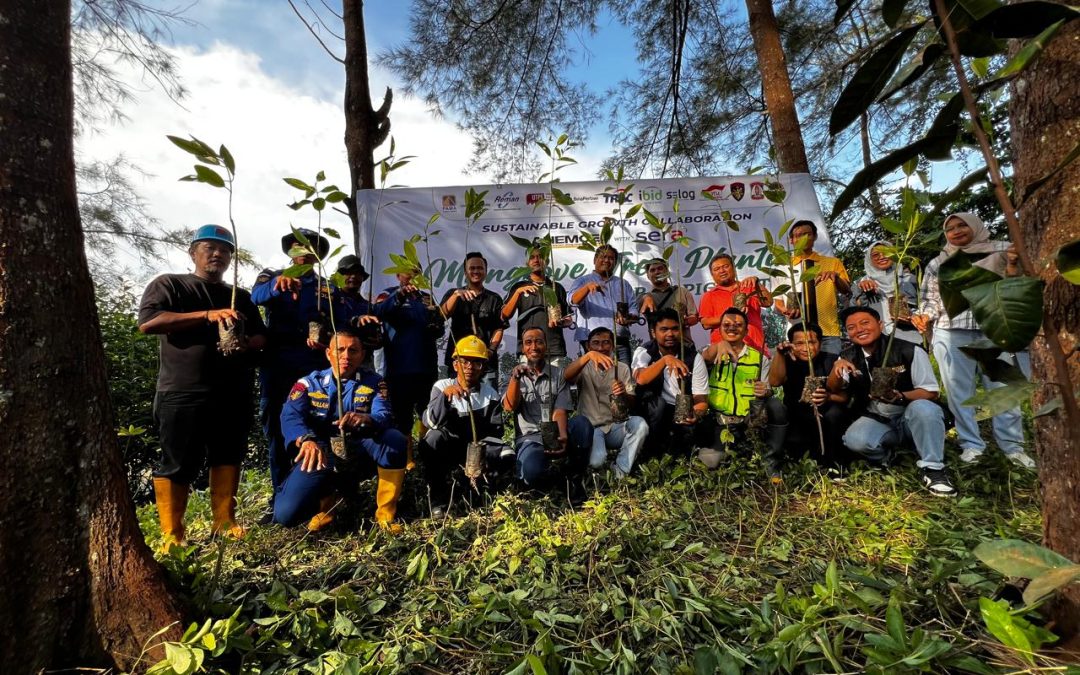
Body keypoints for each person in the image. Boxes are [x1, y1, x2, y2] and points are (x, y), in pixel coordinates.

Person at [138, 225, 267, 549]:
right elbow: (149, 322)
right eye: (209, 247)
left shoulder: (241, 297)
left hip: (232, 391)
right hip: (183, 390)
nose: (217, 254)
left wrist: (246, 341)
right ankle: (172, 534)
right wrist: (208, 315)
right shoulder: (170, 285)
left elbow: (261, 336)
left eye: (224, 250)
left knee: (228, 454)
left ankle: (224, 521)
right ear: (193, 252)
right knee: (178, 460)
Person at [911, 213, 1034, 469]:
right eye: (949, 229)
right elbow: (932, 300)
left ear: (975, 226)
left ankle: (1013, 447)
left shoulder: (1002, 250)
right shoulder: (940, 262)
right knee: (959, 392)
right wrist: (923, 315)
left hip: (996, 329)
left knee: (1003, 390)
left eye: (961, 225)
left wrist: (1012, 265)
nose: (956, 231)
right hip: (952, 331)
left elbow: (1021, 285)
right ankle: (971, 444)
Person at [275, 328, 408, 531]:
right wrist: (305, 439)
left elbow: (384, 415)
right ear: (329, 353)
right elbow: (290, 415)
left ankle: (385, 516)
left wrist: (368, 419)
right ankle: (326, 506)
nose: (346, 356)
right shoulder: (309, 383)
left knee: (395, 439)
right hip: (321, 453)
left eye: (353, 350)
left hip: (360, 448)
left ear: (362, 355)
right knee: (286, 515)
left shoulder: (375, 382)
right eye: (340, 350)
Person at [828, 306, 956, 497]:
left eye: (865, 323)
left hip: (910, 413)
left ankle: (934, 469)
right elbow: (834, 388)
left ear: (880, 325)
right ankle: (891, 456)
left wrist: (901, 396)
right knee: (855, 440)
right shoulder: (848, 355)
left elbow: (930, 392)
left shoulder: (909, 350)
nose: (859, 329)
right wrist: (836, 367)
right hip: (878, 417)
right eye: (852, 327)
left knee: (924, 408)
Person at [251, 227, 334, 517]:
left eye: (309, 247)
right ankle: (280, 495)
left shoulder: (326, 287)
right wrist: (277, 284)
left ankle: (318, 495)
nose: (302, 252)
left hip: (314, 367)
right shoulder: (271, 276)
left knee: (317, 428)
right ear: (290, 252)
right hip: (279, 365)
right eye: (297, 247)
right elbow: (255, 298)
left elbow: (338, 322)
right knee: (277, 429)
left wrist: (326, 337)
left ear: (316, 255)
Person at [418, 336, 510, 517]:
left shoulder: (490, 394)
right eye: (464, 361)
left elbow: (496, 433)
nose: (470, 367)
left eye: (477, 363)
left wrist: (480, 450)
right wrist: (444, 398)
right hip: (449, 448)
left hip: (476, 451)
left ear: (483, 367)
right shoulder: (441, 386)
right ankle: (438, 499)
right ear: (455, 365)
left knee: (507, 454)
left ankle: (482, 492)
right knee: (432, 438)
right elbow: (430, 421)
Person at [699, 308, 786, 481]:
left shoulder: (760, 358)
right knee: (710, 461)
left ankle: (771, 464)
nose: (732, 328)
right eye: (727, 325)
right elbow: (706, 357)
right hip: (721, 422)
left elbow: (768, 388)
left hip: (749, 422)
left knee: (776, 406)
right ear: (719, 329)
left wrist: (765, 391)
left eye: (738, 325)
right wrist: (720, 345)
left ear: (746, 330)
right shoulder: (708, 353)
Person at [502, 327, 588, 488]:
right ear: (523, 348)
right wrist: (516, 379)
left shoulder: (559, 374)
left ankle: (574, 475)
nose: (534, 347)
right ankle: (554, 477)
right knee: (531, 474)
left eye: (539, 342)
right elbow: (509, 406)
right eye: (529, 342)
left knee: (582, 424)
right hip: (530, 439)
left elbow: (560, 410)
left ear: (546, 347)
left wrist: (562, 436)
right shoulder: (513, 375)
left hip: (554, 432)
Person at [565, 327, 647, 478]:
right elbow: (566, 376)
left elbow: (632, 402)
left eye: (606, 343)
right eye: (595, 343)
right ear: (588, 347)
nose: (601, 348)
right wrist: (588, 356)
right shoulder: (583, 367)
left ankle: (620, 470)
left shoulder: (621, 368)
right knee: (597, 462)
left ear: (613, 346)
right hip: (592, 428)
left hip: (615, 426)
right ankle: (596, 468)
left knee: (640, 424)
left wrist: (623, 394)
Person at [373, 270, 445, 440]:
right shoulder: (388, 294)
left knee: (427, 414)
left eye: (416, 272)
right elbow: (378, 312)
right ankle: (406, 460)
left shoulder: (426, 297)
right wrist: (398, 297)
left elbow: (438, 328)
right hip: (399, 370)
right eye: (407, 272)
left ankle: (424, 453)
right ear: (398, 275)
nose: (412, 276)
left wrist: (437, 327)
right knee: (401, 417)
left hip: (426, 368)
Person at [767, 322, 849, 469]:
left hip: (826, 417)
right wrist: (779, 354)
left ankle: (835, 464)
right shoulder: (786, 359)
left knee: (835, 414)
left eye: (811, 342)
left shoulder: (833, 360)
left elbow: (844, 397)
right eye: (799, 343)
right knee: (798, 453)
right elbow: (774, 382)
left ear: (820, 343)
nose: (806, 348)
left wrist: (828, 397)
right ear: (791, 344)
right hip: (796, 415)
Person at [632, 308, 710, 455]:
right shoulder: (645, 351)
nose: (670, 334)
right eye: (664, 329)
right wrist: (665, 360)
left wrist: (695, 414)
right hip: (653, 410)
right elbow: (641, 379)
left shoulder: (694, 357)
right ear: (653, 332)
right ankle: (649, 451)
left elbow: (701, 399)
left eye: (675, 329)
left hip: (680, 411)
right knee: (658, 406)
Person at [773, 220, 851, 354]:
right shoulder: (782, 268)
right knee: (801, 373)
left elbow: (847, 290)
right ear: (791, 240)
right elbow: (778, 302)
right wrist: (786, 310)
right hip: (798, 332)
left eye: (807, 234)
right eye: (798, 235)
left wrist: (836, 277)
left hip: (828, 332)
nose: (803, 238)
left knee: (830, 371)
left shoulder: (832, 263)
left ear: (814, 236)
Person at [439, 252, 506, 388]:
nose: (476, 271)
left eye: (480, 268)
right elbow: (442, 315)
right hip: (458, 360)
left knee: (488, 402)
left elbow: (499, 327)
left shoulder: (494, 298)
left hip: (485, 363)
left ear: (486, 272)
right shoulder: (454, 294)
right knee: (457, 401)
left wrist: (491, 350)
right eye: (472, 268)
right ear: (465, 272)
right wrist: (456, 295)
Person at [502, 245, 573, 366]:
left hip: (554, 349)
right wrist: (519, 292)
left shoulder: (557, 287)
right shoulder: (519, 287)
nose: (536, 260)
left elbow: (568, 319)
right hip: (528, 350)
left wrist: (561, 322)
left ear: (547, 261)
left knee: (555, 384)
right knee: (529, 385)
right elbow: (505, 315)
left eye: (540, 257)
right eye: (532, 257)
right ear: (527, 263)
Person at [569, 244, 636, 364]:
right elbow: (573, 300)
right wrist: (587, 288)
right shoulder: (582, 281)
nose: (606, 260)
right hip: (591, 343)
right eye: (603, 257)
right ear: (595, 260)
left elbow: (634, 311)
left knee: (622, 380)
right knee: (591, 381)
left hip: (619, 343)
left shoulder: (623, 284)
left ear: (615, 263)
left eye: (611, 258)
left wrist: (627, 318)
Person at [699, 253, 771, 353]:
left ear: (734, 268)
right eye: (717, 269)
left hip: (755, 347)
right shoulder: (709, 295)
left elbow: (768, 302)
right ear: (712, 275)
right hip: (724, 352)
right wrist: (730, 317)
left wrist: (757, 283)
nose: (722, 271)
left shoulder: (749, 286)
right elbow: (705, 323)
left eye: (725, 266)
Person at [850, 242, 920, 343]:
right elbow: (854, 313)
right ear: (869, 260)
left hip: (910, 337)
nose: (882, 257)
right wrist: (862, 292)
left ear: (894, 255)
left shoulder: (909, 280)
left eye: (886, 253)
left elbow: (925, 307)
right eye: (875, 255)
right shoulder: (861, 283)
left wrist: (911, 316)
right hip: (879, 341)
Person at [335, 254, 382, 369]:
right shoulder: (331, 300)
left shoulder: (368, 306)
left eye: (358, 273)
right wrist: (355, 321)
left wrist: (377, 340)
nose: (353, 276)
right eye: (348, 273)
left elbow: (379, 336)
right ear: (340, 276)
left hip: (364, 363)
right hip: (338, 361)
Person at [638, 257, 699, 331]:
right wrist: (646, 297)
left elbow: (694, 318)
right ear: (648, 276)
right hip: (657, 342)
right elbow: (632, 314)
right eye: (652, 270)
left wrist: (680, 322)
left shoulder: (682, 292)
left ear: (667, 272)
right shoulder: (644, 298)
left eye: (660, 268)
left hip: (683, 342)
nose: (657, 272)